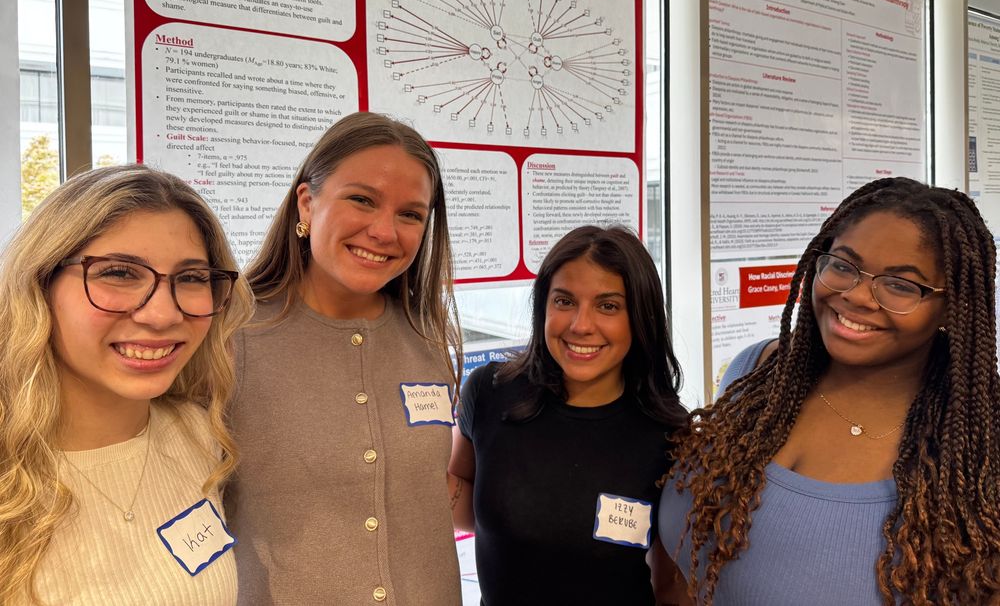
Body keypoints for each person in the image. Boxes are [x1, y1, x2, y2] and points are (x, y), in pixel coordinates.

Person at [659, 177, 1000, 605]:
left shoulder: (978, 449)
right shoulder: (758, 371)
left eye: (900, 285)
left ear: (952, 306)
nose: (857, 296)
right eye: (843, 265)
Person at [227, 112, 463, 605]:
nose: (384, 231)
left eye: (410, 214)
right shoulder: (232, 335)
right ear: (307, 203)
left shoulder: (426, 338)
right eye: (362, 200)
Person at [0, 164, 254, 606]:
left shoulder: (197, 435)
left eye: (191, 278)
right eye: (119, 273)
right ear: (40, 285)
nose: (163, 315)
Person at [449, 225, 688, 606]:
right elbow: (463, 494)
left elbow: (671, 588)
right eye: (564, 301)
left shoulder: (670, 436)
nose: (581, 325)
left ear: (640, 317)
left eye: (608, 306)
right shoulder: (490, 391)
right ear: (543, 306)